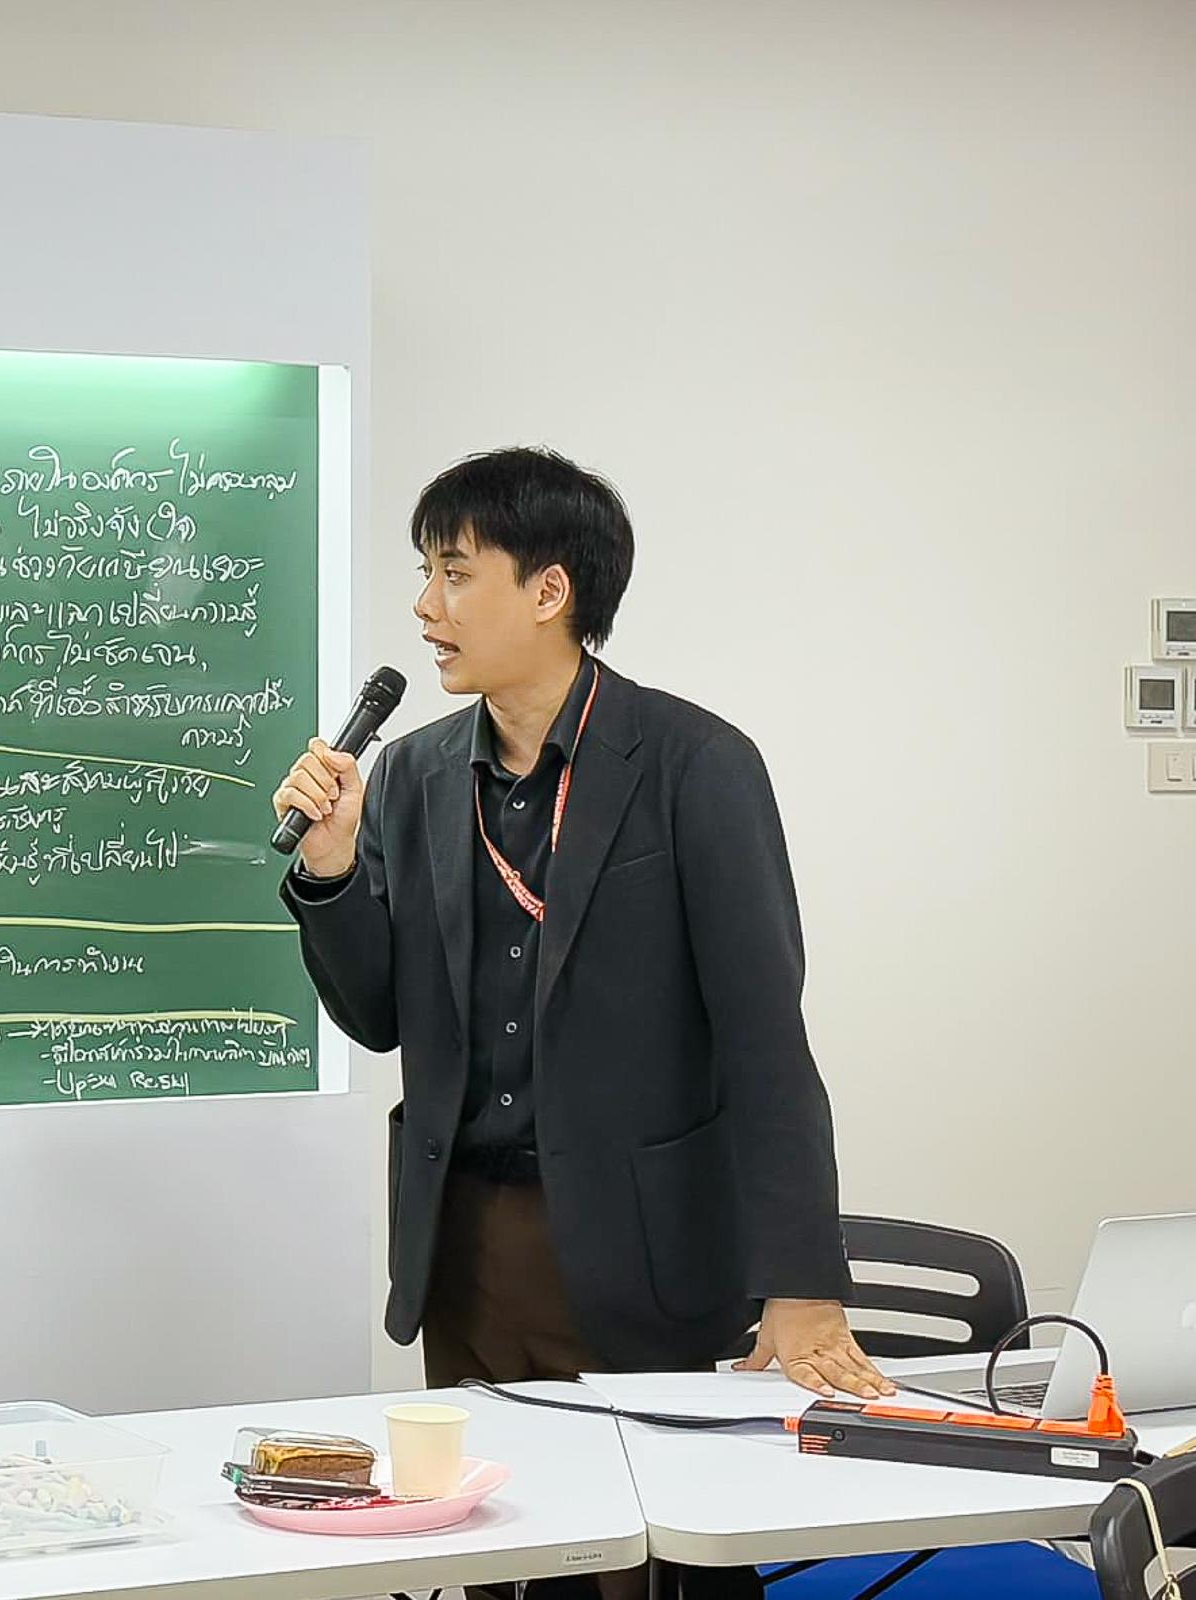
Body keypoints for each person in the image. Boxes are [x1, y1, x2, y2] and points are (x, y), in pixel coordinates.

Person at [274, 448, 892, 1600]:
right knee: (499, 1554)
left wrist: (803, 1281)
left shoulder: (694, 764)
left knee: (663, 1563)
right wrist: (332, 868)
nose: (426, 607)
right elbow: (375, 1015)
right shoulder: (411, 776)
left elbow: (765, 1041)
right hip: (464, 1247)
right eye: (424, 573)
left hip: (637, 1246)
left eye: (455, 573)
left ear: (550, 590)